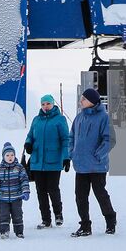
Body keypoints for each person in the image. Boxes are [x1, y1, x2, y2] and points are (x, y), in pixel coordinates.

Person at [69, 87, 117, 237]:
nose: (81, 101)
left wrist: (99, 155)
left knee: (100, 194)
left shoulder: (104, 117)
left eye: (83, 99)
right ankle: (85, 225)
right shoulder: (79, 118)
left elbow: (110, 139)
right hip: (81, 165)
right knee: (80, 196)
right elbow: (71, 138)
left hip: (97, 166)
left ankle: (110, 221)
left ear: (91, 101)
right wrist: (71, 153)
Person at [24, 93, 71, 228]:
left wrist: (66, 157)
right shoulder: (36, 120)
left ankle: (58, 215)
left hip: (53, 161)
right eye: (43, 104)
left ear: (53, 104)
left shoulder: (60, 120)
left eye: (48, 104)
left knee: (53, 189)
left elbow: (65, 140)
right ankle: (46, 219)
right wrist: (28, 143)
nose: (45, 106)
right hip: (37, 161)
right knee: (40, 191)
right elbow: (30, 135)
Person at [0, 141, 32, 238]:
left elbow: (24, 181)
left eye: (12, 155)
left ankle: (19, 232)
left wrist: (26, 192)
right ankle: (4, 232)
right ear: (3, 156)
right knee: (4, 215)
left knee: (18, 215)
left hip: (17, 197)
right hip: (3, 199)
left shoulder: (19, 168)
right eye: (7, 155)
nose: (10, 157)